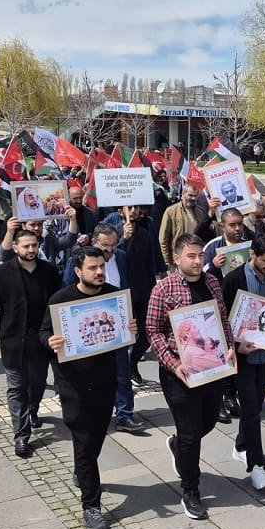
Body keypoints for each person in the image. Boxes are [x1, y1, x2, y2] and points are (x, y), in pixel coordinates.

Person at [42, 246, 138, 529]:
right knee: (83, 441)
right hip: (73, 384)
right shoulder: (62, 300)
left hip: (105, 381)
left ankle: (82, 469)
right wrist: (50, 341)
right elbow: (42, 332)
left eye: (101, 267)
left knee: (96, 436)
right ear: (78, 271)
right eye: (92, 268)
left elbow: (128, 330)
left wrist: (131, 327)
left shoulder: (114, 295)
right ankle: (91, 506)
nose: (99, 272)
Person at [146, 234, 235, 520]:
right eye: (191, 256)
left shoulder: (211, 283)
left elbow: (222, 320)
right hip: (180, 373)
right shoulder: (164, 289)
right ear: (177, 258)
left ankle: (178, 446)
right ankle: (190, 489)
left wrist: (230, 347)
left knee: (207, 421)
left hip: (211, 367)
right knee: (189, 434)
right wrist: (174, 364)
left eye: (200, 256)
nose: (198, 261)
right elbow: (154, 330)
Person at [0, 230, 61, 458]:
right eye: (26, 246)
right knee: (16, 388)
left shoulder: (50, 272)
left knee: (38, 383)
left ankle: (33, 409)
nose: (31, 250)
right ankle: (21, 436)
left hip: (41, 340)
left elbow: (58, 306)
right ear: (15, 248)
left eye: (34, 245)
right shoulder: (0, 273)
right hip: (13, 340)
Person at [61, 223, 148, 433]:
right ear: (94, 241)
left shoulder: (121, 257)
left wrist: (129, 316)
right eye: (104, 245)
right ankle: (91, 413)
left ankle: (125, 415)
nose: (109, 250)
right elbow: (67, 289)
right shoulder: (79, 261)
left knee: (122, 371)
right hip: (89, 326)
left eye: (113, 245)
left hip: (116, 324)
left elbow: (126, 287)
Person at [220, 236, 265, 490]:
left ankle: (240, 445)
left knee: (256, 404)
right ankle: (257, 467)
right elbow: (222, 319)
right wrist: (236, 347)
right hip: (243, 357)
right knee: (251, 410)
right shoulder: (233, 280)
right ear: (252, 255)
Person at [101, 206, 165, 387]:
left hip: (144, 291)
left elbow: (149, 263)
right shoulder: (112, 233)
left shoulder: (144, 232)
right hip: (124, 293)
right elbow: (110, 257)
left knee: (147, 334)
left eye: (137, 207)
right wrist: (123, 239)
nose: (134, 211)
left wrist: (154, 290)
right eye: (130, 207)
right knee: (127, 334)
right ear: (121, 211)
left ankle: (132, 362)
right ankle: (120, 376)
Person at [160, 185, 203, 267]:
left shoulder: (200, 212)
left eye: (195, 196)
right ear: (183, 194)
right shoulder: (171, 211)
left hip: (195, 256)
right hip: (177, 258)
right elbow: (163, 238)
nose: (193, 198)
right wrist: (166, 260)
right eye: (190, 195)